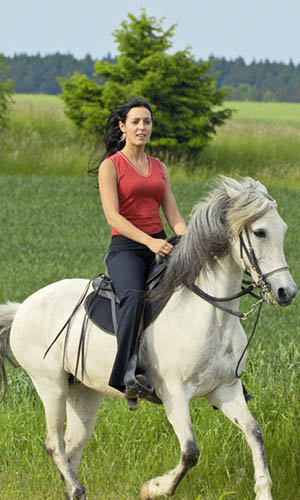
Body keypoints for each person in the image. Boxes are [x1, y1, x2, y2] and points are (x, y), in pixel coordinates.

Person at [95, 97, 187, 406]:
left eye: (146, 122)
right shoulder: (111, 166)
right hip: (128, 249)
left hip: (161, 244)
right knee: (134, 296)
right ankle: (127, 374)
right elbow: (113, 217)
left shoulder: (159, 167)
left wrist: (188, 241)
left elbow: (172, 214)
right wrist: (149, 242)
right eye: (135, 122)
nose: (142, 127)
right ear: (123, 127)